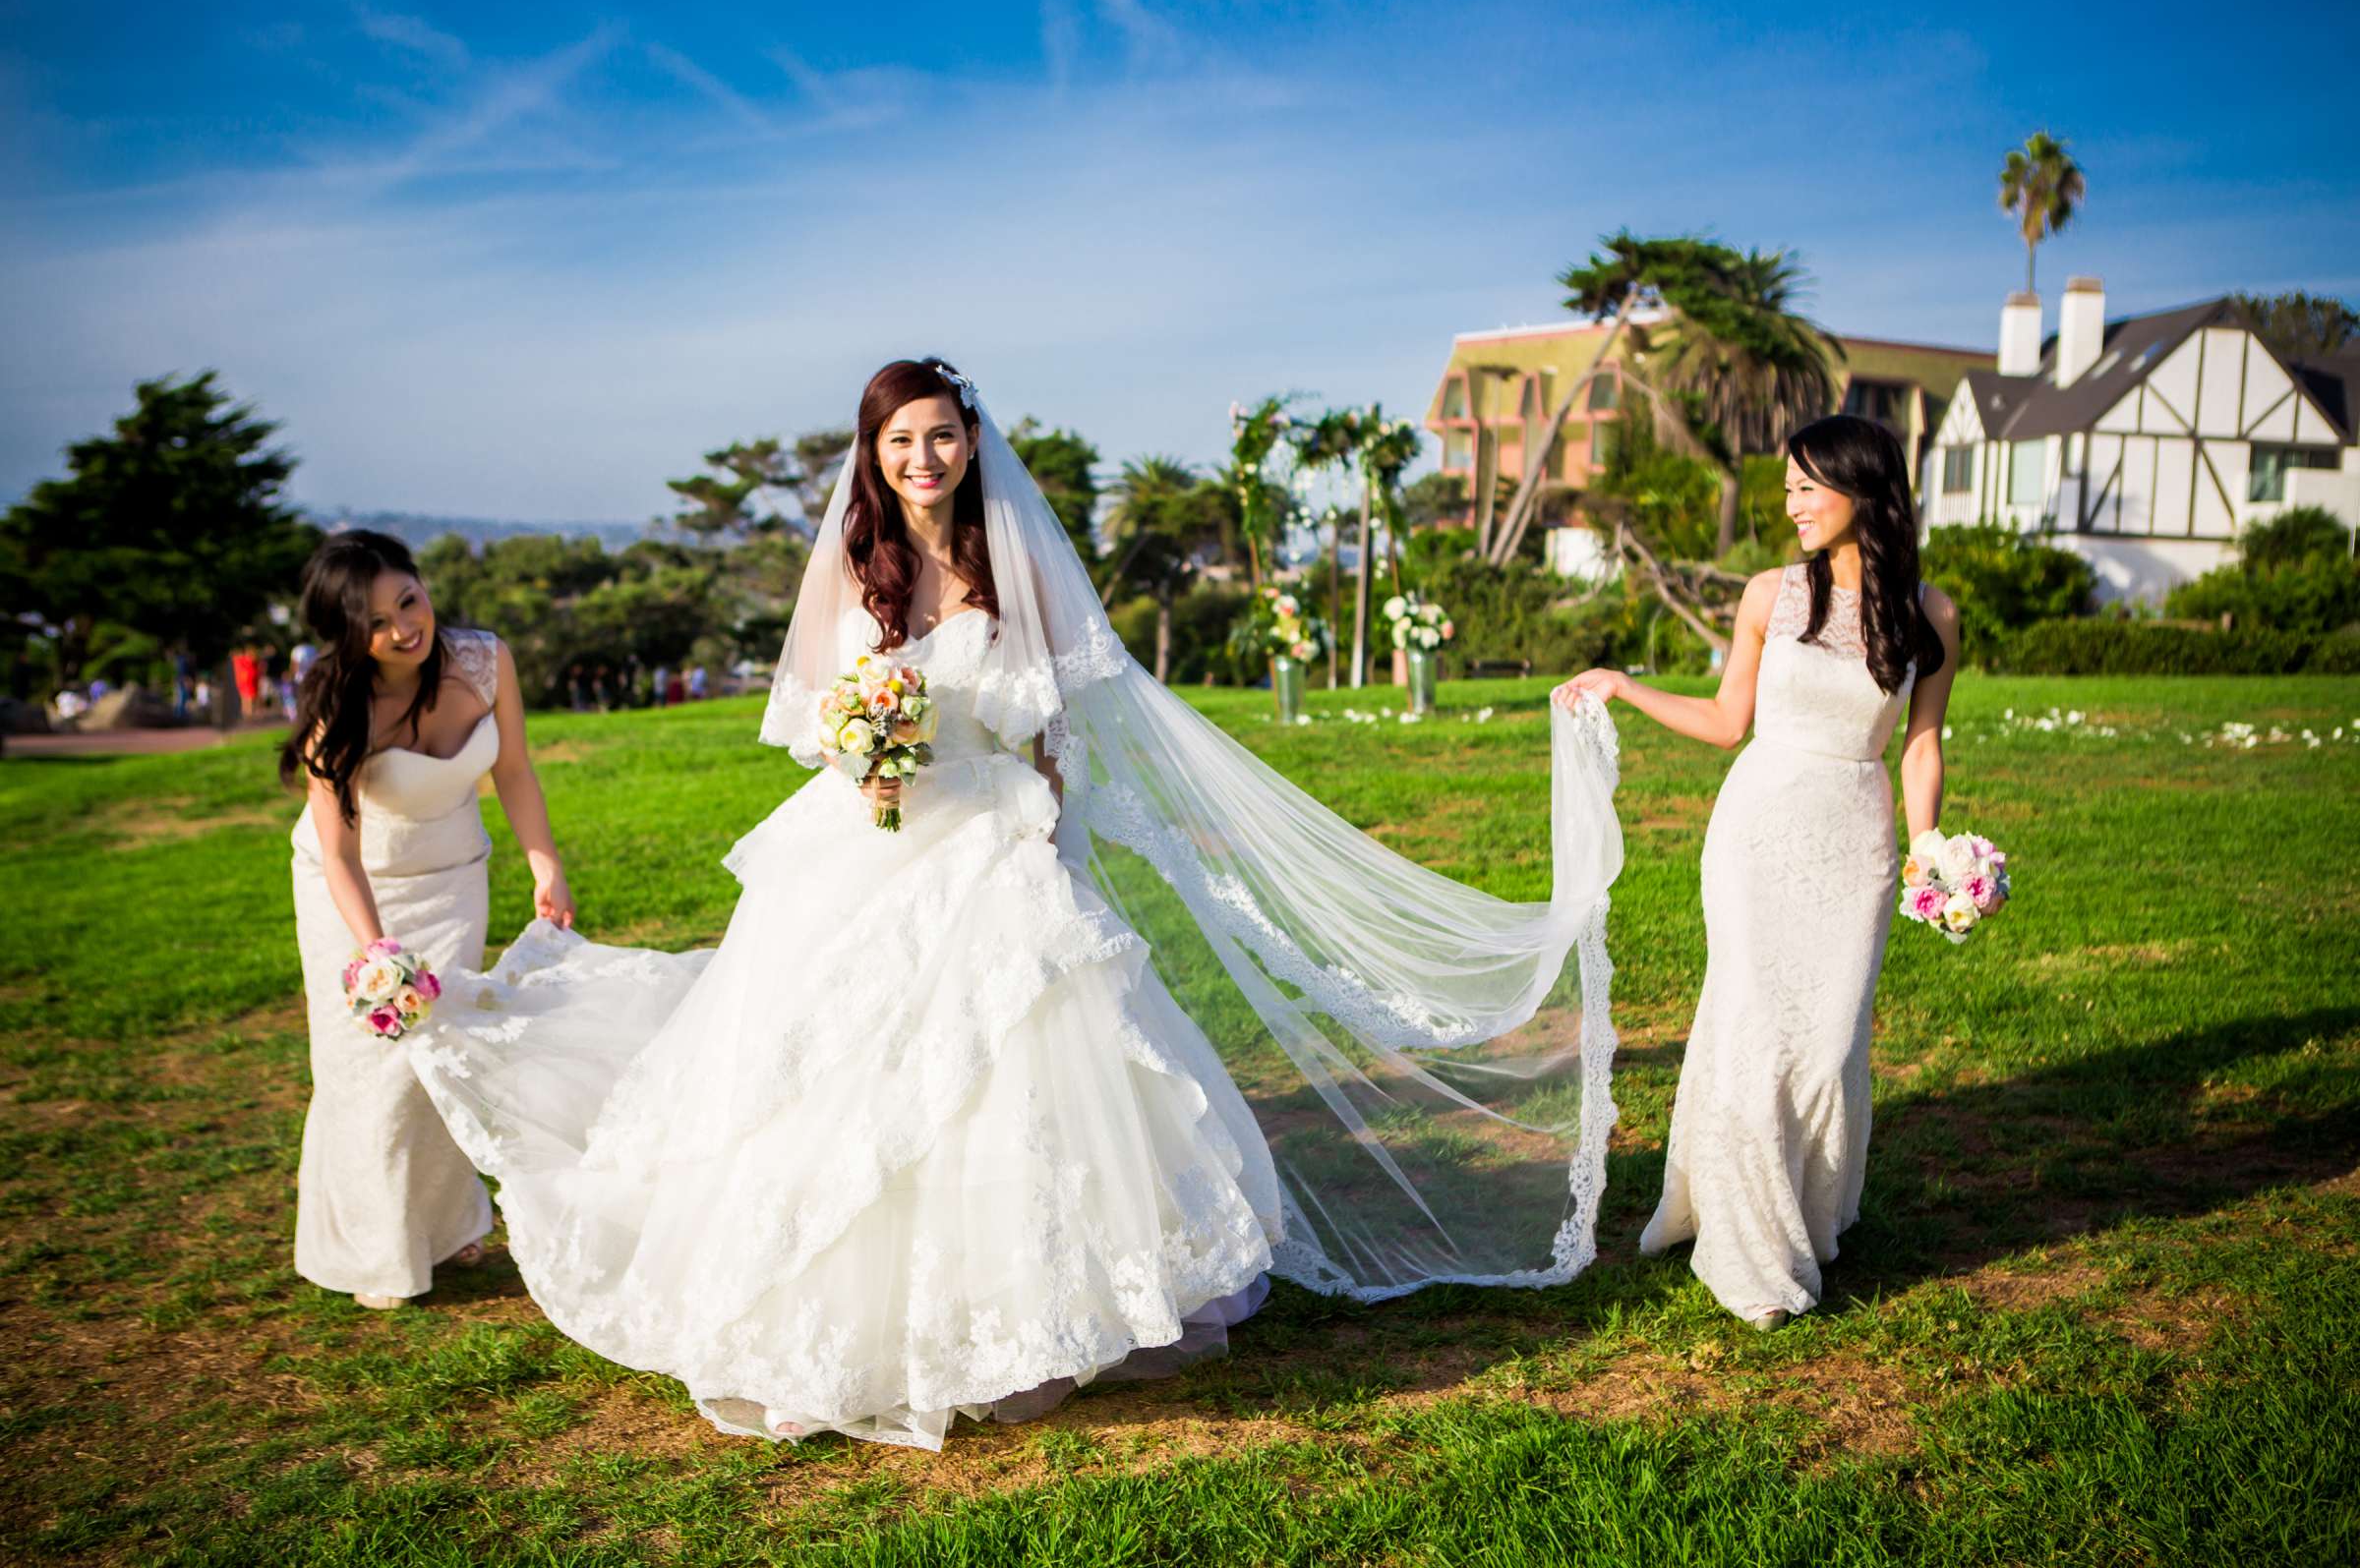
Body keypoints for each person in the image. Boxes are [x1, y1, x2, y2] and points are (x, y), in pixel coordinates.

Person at [407, 358, 1623, 1451]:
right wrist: (869, 750)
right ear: (872, 458)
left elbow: (1054, 714)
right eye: (899, 443)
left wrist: (1048, 820)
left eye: (940, 436)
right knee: (841, 1066)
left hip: (999, 830)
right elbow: (818, 719)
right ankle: (821, 1319)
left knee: (1039, 1057)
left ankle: (1055, 1303)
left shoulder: (1015, 556)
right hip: (875, 837)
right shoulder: (852, 561)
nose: (922, 459)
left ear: (971, 442)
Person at [1554, 414, 1961, 1329]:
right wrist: (1623, 684)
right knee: (1751, 1028)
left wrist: (1932, 847)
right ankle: (1745, 1246)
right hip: (1756, 831)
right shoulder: (1768, 594)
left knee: (1825, 1048)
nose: (1794, 506)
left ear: (1865, 489)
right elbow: (1724, 720)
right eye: (1787, 488)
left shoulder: (1931, 612)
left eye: (1808, 487)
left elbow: (1923, 744)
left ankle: (1808, 1219)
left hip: (1855, 842)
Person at [279, 531, 578, 1312]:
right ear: (349, 635)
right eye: (376, 622)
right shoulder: (333, 708)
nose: (403, 628)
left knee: (441, 1055)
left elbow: (512, 769)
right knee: (372, 1069)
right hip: (352, 894)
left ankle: (447, 1225)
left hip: (454, 882)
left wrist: (543, 863)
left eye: (408, 600)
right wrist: (374, 948)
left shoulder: (486, 660)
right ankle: (378, 1247)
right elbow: (339, 855)